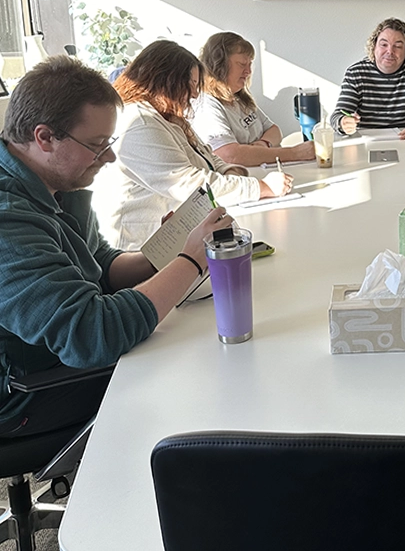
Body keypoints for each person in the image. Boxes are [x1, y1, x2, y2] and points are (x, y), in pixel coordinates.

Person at [0, 55, 233, 439]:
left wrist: (163, 253)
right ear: (44, 138)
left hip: (53, 365)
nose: (108, 157)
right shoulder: (9, 219)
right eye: (96, 145)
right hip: (23, 395)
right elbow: (93, 334)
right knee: (197, 376)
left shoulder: (54, 185)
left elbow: (99, 266)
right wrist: (190, 260)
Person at [95, 40, 293, 250]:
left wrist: (229, 171)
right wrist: (261, 187)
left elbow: (208, 157)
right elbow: (189, 185)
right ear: (165, 81)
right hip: (139, 253)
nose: (196, 93)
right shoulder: (139, 123)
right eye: (190, 84)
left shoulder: (167, 118)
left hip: (172, 241)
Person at [192, 32, 315, 168]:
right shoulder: (207, 105)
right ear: (219, 65)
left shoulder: (239, 98)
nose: (248, 71)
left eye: (250, 64)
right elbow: (229, 155)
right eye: (242, 64)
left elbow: (274, 130)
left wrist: (263, 144)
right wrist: (294, 153)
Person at [329, 17, 405, 140]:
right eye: (384, 45)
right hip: (368, 142)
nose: (390, 51)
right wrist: (343, 123)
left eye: (397, 46)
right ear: (373, 46)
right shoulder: (356, 73)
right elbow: (336, 116)